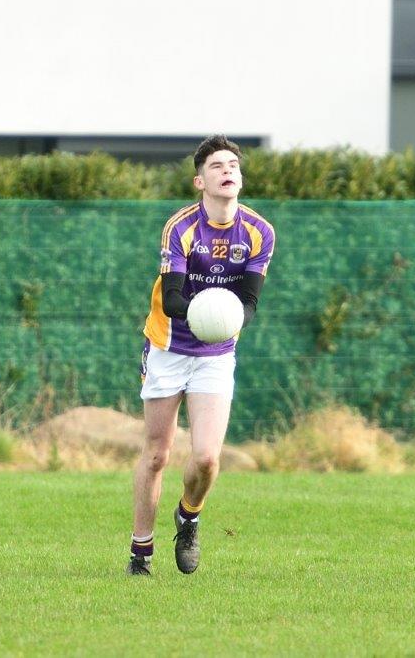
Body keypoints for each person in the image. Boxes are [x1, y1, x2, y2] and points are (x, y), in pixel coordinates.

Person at [127, 135, 275, 576]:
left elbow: (248, 304)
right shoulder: (180, 227)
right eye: (216, 166)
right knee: (157, 454)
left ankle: (188, 516)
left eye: (233, 165)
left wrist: (228, 319)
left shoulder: (260, 232)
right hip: (168, 346)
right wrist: (204, 312)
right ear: (199, 181)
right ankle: (141, 552)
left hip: (216, 353)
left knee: (208, 458)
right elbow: (172, 297)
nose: (227, 171)